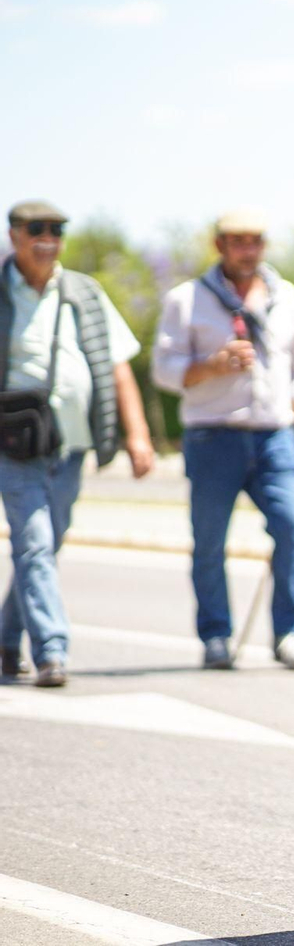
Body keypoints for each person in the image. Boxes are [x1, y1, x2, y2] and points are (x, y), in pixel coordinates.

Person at [152, 210, 294, 671]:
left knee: (292, 527)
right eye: (238, 241)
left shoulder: (287, 295)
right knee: (209, 540)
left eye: (256, 241)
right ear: (220, 245)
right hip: (213, 435)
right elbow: (163, 370)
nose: (248, 250)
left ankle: (290, 633)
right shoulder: (186, 299)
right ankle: (216, 635)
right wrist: (212, 365)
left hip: (275, 435)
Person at [0, 200, 155, 687]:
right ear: (14, 235)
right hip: (14, 444)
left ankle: (6, 640)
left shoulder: (84, 292)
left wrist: (138, 435)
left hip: (72, 443)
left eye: (57, 229)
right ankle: (52, 651)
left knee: (45, 545)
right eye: (36, 229)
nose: (47, 237)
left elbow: (117, 365)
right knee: (34, 541)